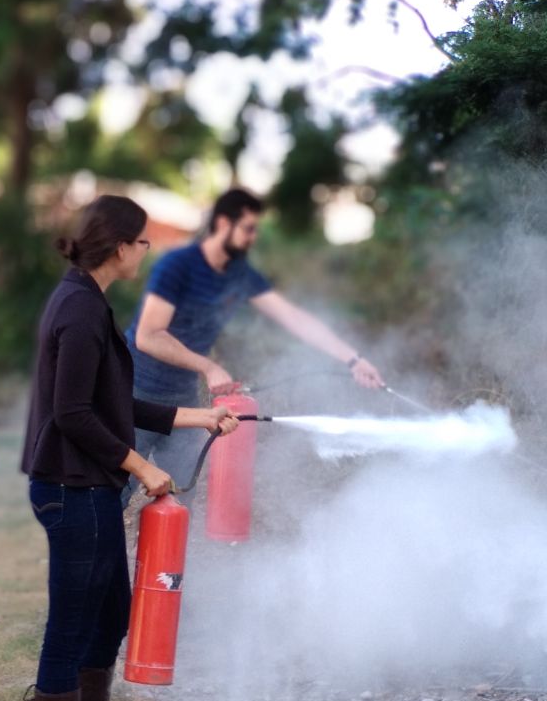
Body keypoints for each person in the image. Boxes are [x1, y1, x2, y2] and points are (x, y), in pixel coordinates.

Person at [21, 195, 237, 701]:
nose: (148, 250)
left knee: (111, 612)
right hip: (72, 487)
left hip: (87, 486)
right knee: (70, 627)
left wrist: (201, 417)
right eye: (143, 241)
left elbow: (116, 404)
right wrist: (142, 467)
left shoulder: (89, 301)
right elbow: (73, 415)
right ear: (119, 245)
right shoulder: (80, 311)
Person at [125, 187, 384, 490]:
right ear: (223, 224)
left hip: (184, 400)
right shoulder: (177, 266)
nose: (253, 237)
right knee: (114, 493)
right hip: (135, 394)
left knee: (183, 495)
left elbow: (294, 318)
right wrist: (209, 367)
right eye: (248, 229)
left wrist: (353, 359)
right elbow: (149, 336)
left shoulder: (240, 274)